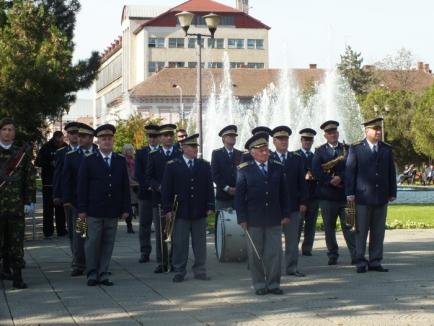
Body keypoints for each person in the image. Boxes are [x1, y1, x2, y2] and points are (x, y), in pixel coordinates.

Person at [235, 132, 290, 295]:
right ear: (252, 152)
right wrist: (242, 218)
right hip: (253, 219)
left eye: (266, 149)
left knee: (275, 253)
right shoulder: (244, 170)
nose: (265, 153)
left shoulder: (277, 167)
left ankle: (273, 284)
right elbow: (239, 197)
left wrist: (286, 213)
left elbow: (284, 193)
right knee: (255, 254)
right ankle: (259, 284)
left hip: (274, 217)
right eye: (261, 150)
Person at [77, 124, 131, 286]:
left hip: (112, 209)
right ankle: (92, 273)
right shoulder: (89, 160)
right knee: (92, 241)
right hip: (94, 209)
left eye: (109, 139)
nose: (107, 142)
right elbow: (82, 186)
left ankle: (103, 272)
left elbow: (124, 186)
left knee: (108, 242)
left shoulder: (119, 160)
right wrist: (82, 209)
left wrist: (126, 208)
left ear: (113, 141)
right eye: (103, 139)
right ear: (98, 141)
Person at [161, 134, 215, 283]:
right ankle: (179, 270)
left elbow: (209, 187)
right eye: (192, 146)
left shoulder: (203, 165)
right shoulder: (172, 165)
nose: (195, 149)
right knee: (180, 242)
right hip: (180, 211)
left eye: (196, 146)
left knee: (200, 243)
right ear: (183, 148)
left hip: (199, 210)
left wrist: (210, 205)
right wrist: (168, 209)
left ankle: (200, 270)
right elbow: (167, 189)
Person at [346, 118, 397, 273]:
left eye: (379, 129)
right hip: (362, 198)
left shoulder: (386, 149)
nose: (378, 132)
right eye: (375, 129)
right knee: (360, 231)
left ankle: (375, 261)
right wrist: (350, 193)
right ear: (366, 131)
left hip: (381, 197)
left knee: (378, 231)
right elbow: (350, 172)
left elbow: (391, 172)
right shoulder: (356, 148)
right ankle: (360, 261)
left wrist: (392, 192)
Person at [312, 120, 356, 266]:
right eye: (329, 133)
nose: (333, 135)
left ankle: (355, 255)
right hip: (327, 197)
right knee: (329, 228)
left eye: (334, 132)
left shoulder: (348, 149)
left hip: (347, 196)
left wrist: (340, 177)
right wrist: (330, 180)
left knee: (350, 225)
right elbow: (316, 171)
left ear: (338, 133)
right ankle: (332, 254)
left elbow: (353, 167)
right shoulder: (319, 151)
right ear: (325, 135)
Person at [0, 118, 36, 289]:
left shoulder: (21, 154)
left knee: (16, 243)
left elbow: (29, 179)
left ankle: (17, 276)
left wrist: (29, 201)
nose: (7, 132)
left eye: (10, 130)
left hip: (16, 207)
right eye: (4, 129)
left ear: (14, 133)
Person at [271, 126, 308, 277]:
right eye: (280, 139)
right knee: (274, 242)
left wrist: (303, 202)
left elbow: (303, 183)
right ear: (274, 141)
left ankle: (292, 268)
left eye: (285, 139)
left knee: (292, 241)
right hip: (274, 208)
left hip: (293, 206)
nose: (283, 142)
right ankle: (275, 269)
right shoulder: (269, 158)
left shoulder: (297, 159)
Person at [146, 124, 182, 273]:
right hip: (159, 198)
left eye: (170, 135)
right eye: (165, 135)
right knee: (161, 232)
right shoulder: (154, 155)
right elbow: (149, 176)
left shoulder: (179, 153)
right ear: (160, 138)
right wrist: (158, 186)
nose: (168, 138)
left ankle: (175, 261)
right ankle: (162, 262)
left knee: (176, 232)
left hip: (175, 199)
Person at [62, 123, 96, 277]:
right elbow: (66, 179)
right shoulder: (71, 156)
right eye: (78, 136)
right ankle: (79, 264)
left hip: (97, 202)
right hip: (79, 203)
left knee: (96, 234)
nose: (79, 139)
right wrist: (67, 199)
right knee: (80, 234)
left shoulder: (100, 153)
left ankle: (96, 264)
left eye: (83, 136)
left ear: (91, 138)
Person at [35, 130, 68, 237]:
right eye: (72, 135)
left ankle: (78, 233)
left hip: (66, 185)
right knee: (49, 209)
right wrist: (49, 163)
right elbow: (38, 162)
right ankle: (48, 231)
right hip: (49, 182)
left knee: (69, 211)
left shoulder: (70, 149)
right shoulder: (46, 147)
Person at [135, 124, 160, 263]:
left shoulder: (162, 152)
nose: (153, 139)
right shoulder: (141, 153)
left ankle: (161, 252)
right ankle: (145, 251)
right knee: (145, 224)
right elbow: (138, 173)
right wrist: (149, 185)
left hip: (159, 194)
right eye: (150, 136)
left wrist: (158, 186)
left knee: (159, 225)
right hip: (145, 193)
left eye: (155, 136)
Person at [53, 122, 81, 243]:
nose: (75, 136)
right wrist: (57, 194)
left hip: (83, 195)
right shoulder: (61, 152)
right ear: (67, 135)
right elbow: (58, 174)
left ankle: (81, 254)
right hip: (69, 195)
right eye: (72, 133)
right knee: (70, 225)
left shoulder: (88, 150)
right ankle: (75, 251)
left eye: (77, 133)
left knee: (82, 228)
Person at [296, 128, 319, 256]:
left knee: (311, 225)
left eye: (309, 140)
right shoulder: (295, 155)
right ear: (301, 140)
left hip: (313, 195)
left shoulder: (316, 156)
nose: (307, 142)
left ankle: (307, 249)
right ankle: (294, 247)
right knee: (298, 224)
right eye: (305, 140)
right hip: (300, 197)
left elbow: (321, 173)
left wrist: (314, 176)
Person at [211, 125, 242, 210]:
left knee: (238, 222)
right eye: (230, 135)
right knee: (222, 222)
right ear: (224, 138)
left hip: (238, 196)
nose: (233, 137)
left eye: (234, 136)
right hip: (223, 197)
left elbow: (244, 174)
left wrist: (238, 188)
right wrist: (227, 188)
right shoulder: (217, 154)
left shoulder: (240, 154)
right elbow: (214, 174)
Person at [122, 143, 137, 234]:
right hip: (128, 185)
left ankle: (81, 234)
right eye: (127, 150)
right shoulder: (123, 160)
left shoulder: (134, 160)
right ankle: (129, 226)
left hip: (135, 185)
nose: (129, 151)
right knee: (130, 206)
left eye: (130, 150)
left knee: (135, 205)